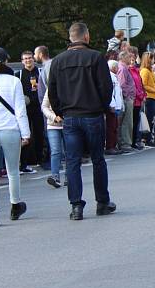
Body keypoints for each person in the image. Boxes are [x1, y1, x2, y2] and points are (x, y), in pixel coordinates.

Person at [47, 22, 116, 221]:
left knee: (72, 162)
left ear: (70, 38)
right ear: (86, 37)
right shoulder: (95, 57)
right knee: (98, 160)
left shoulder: (58, 61)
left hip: (70, 117)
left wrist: (61, 111)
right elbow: (106, 88)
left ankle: (76, 205)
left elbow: (53, 91)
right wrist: (102, 108)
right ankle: (102, 201)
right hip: (93, 115)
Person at [0, 48, 30, 227]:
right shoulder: (14, 81)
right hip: (10, 130)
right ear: (6, 62)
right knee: (13, 171)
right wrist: (26, 133)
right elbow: (20, 111)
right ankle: (15, 206)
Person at [16, 50, 45, 172]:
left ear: (33, 59)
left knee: (40, 134)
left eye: (30, 58)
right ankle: (24, 163)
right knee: (25, 136)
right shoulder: (19, 75)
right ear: (22, 61)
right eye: (25, 59)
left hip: (39, 107)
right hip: (24, 109)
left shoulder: (40, 72)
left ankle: (41, 160)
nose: (28, 60)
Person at [41, 90, 65, 188]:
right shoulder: (50, 89)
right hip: (53, 124)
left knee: (70, 152)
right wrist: (54, 117)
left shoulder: (69, 85)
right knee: (55, 151)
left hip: (68, 124)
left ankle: (70, 176)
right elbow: (44, 107)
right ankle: (55, 177)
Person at [140, 52, 155, 147]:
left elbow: (154, 82)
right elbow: (144, 85)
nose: (154, 60)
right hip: (150, 97)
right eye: (152, 58)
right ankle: (147, 139)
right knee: (150, 119)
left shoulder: (150, 70)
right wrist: (154, 90)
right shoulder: (145, 71)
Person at [116, 51, 136, 153]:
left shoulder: (124, 68)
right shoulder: (123, 69)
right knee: (126, 122)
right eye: (129, 57)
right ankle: (125, 144)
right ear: (123, 57)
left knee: (126, 122)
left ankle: (125, 143)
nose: (130, 58)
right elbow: (122, 85)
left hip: (127, 98)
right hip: (126, 99)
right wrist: (128, 97)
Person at [106, 60, 124, 155]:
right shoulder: (109, 77)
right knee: (111, 127)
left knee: (115, 127)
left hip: (116, 105)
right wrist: (112, 105)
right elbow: (110, 93)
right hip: (112, 106)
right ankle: (110, 146)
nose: (118, 69)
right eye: (116, 67)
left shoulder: (114, 77)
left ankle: (113, 145)